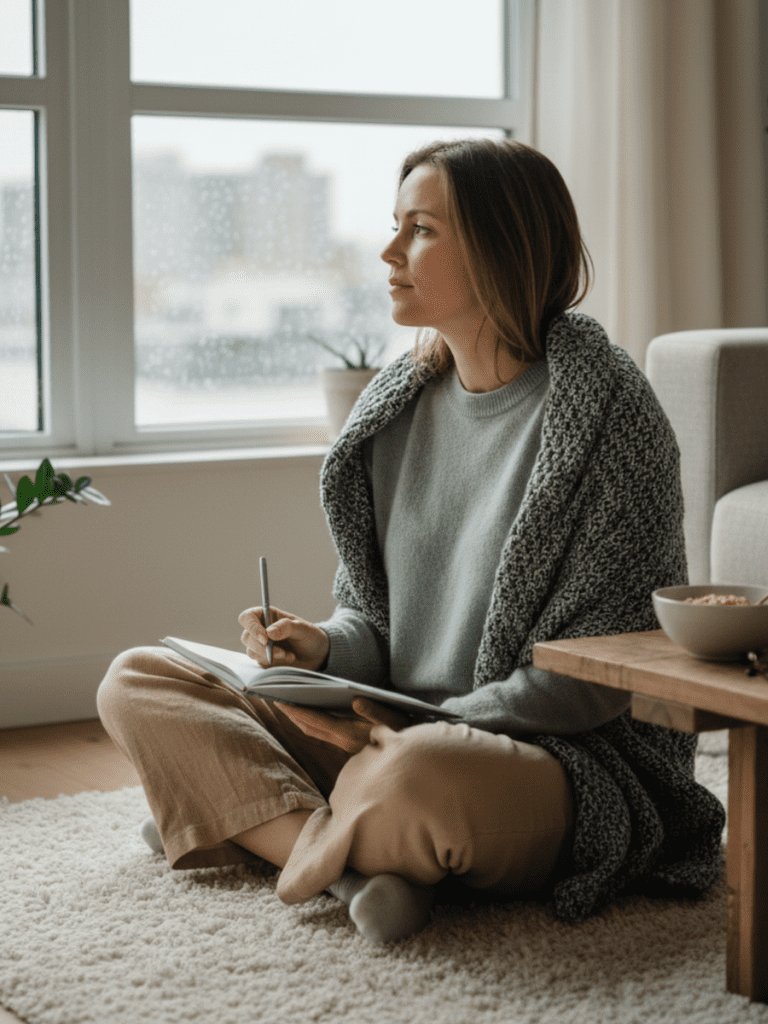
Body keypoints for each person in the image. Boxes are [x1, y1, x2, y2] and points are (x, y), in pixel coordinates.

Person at [97, 139, 725, 946]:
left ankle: (245, 820)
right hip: (382, 734)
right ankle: (352, 868)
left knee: (415, 777)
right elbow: (376, 622)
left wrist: (415, 732)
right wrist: (322, 648)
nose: (389, 252)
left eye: (420, 230)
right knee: (138, 680)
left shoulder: (611, 417)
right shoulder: (396, 412)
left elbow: (597, 676)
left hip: (542, 757)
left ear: (502, 247)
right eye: (395, 226)